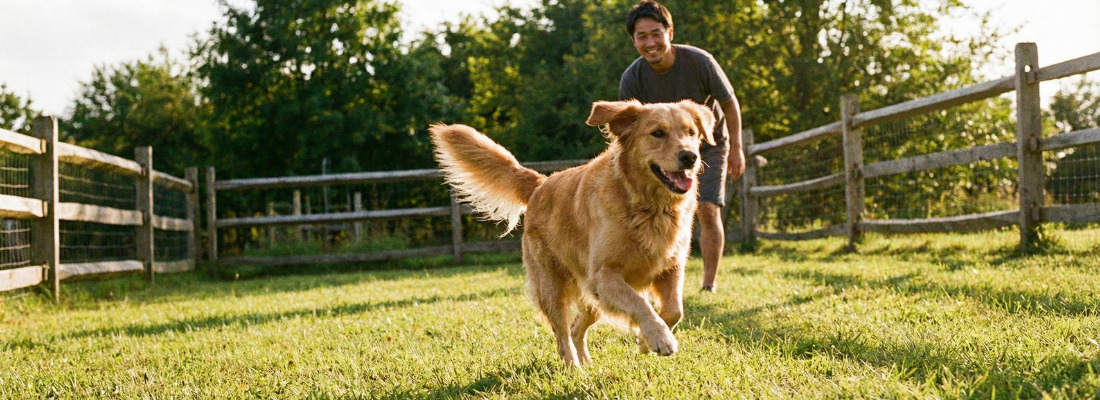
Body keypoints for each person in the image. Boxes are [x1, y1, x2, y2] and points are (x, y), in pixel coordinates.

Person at [618, 0, 745, 292]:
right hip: (660, 154)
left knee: (707, 209)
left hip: (707, 145)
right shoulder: (632, 78)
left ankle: (708, 284)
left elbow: (729, 103)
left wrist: (737, 147)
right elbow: (628, 130)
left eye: (656, 33)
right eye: (642, 36)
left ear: (669, 32)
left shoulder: (700, 62)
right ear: (634, 40)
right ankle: (650, 277)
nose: (650, 42)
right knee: (657, 213)